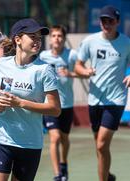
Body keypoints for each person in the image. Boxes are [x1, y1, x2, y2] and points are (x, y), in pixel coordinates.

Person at [0, 18, 61, 181]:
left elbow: (55, 108)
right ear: (18, 39)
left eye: (39, 38)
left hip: (29, 144)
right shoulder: (0, 65)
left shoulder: (44, 70)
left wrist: (21, 103)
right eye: (33, 36)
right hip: (1, 141)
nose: (37, 41)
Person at [74, 5, 130, 181]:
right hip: (94, 100)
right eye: (103, 20)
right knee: (99, 146)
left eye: (110, 21)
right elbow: (78, 65)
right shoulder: (90, 41)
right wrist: (85, 72)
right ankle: (107, 175)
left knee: (102, 144)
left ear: (117, 22)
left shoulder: (127, 43)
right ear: (100, 22)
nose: (107, 24)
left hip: (116, 100)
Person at [39, 25, 78, 181]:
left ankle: (64, 163)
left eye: (60, 36)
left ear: (64, 38)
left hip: (67, 105)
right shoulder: (43, 56)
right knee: (54, 138)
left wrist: (71, 73)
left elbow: (82, 72)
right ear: (50, 39)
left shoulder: (72, 55)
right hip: (49, 105)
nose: (57, 38)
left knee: (64, 138)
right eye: (54, 35)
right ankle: (57, 175)